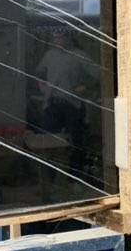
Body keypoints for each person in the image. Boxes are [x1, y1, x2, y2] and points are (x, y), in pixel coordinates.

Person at [35, 31, 100, 179]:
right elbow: (39, 71)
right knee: (48, 141)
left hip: (73, 105)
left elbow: (99, 74)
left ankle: (74, 178)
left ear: (69, 38)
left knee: (75, 142)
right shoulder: (50, 55)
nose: (56, 40)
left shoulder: (80, 55)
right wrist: (41, 84)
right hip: (53, 104)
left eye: (60, 37)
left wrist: (85, 86)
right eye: (55, 37)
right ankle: (49, 179)